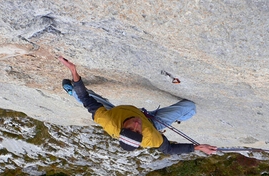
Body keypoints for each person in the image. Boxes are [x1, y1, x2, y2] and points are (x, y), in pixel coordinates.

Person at [59, 56, 217, 155]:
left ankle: (72, 92)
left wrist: (73, 71)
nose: (136, 124)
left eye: (130, 128)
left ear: (121, 128)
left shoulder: (108, 120)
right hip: (151, 122)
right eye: (137, 130)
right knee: (190, 107)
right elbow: (169, 149)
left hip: (116, 112)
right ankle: (179, 116)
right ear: (142, 135)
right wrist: (198, 148)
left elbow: (87, 100)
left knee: (90, 99)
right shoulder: (151, 138)